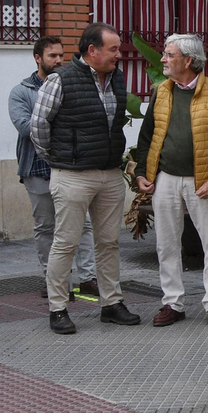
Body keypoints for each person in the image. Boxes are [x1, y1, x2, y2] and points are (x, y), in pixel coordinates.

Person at [28, 23, 139, 334]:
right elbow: (38, 126)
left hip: (110, 174)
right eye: (113, 49)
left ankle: (111, 304)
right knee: (65, 243)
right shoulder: (60, 79)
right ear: (92, 51)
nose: (119, 55)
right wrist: (59, 159)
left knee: (109, 242)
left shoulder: (117, 78)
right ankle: (58, 308)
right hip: (72, 175)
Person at [134, 34, 208, 328]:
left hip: (204, 181)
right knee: (166, 244)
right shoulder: (160, 91)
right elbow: (146, 137)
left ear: (188, 60)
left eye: (169, 55)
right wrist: (142, 172)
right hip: (166, 179)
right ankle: (172, 303)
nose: (163, 59)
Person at [9, 36, 98, 301]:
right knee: (46, 226)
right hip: (38, 168)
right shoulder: (22, 92)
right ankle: (55, 281)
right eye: (52, 56)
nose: (59, 60)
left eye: (61, 55)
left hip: (71, 166)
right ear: (38, 58)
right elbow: (25, 127)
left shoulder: (71, 85)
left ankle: (89, 278)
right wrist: (63, 123)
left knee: (83, 224)